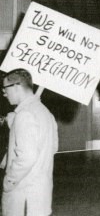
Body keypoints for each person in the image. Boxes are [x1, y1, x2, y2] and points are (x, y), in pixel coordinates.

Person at [1, 69, 59, 216]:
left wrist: (9, 181)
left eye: (5, 88)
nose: (4, 93)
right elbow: (53, 147)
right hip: (39, 193)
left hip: (23, 197)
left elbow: (27, 157)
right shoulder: (45, 112)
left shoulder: (25, 115)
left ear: (16, 86)